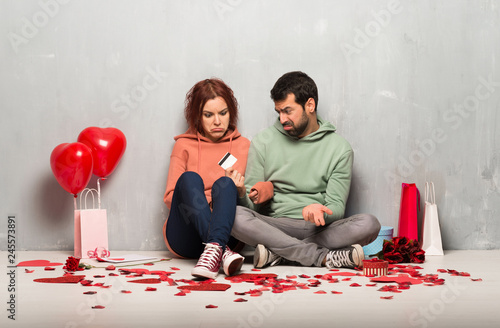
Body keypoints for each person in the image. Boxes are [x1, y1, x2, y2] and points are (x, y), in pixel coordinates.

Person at [231, 71, 381, 269]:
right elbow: (251, 208)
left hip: (319, 229)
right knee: (233, 215)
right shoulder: (263, 141)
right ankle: (322, 257)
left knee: (369, 224)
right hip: (274, 226)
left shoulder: (339, 148)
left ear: (310, 105)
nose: (283, 119)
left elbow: (336, 207)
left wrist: (322, 212)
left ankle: (278, 254)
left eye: (288, 111)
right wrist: (243, 193)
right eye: (279, 112)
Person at [163, 78, 250, 279]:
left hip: (229, 231)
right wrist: (204, 205)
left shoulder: (243, 146)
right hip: (186, 237)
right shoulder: (183, 145)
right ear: (197, 116)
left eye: (223, 113)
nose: (217, 122)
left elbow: (251, 201)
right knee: (189, 178)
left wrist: (240, 191)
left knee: (225, 183)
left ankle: (216, 248)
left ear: (231, 113)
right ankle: (221, 250)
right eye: (208, 115)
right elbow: (169, 197)